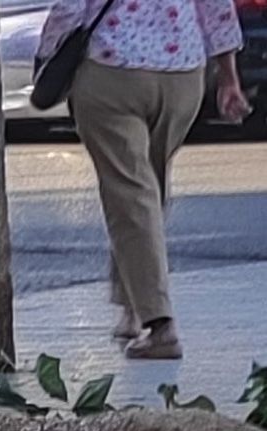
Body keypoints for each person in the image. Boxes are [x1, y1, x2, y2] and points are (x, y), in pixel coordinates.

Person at [39, 0, 249, 359]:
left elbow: (69, 8)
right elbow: (217, 7)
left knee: (130, 191)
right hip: (182, 77)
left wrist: (47, 57)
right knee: (146, 186)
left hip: (112, 70)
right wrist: (229, 78)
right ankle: (132, 307)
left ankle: (160, 323)